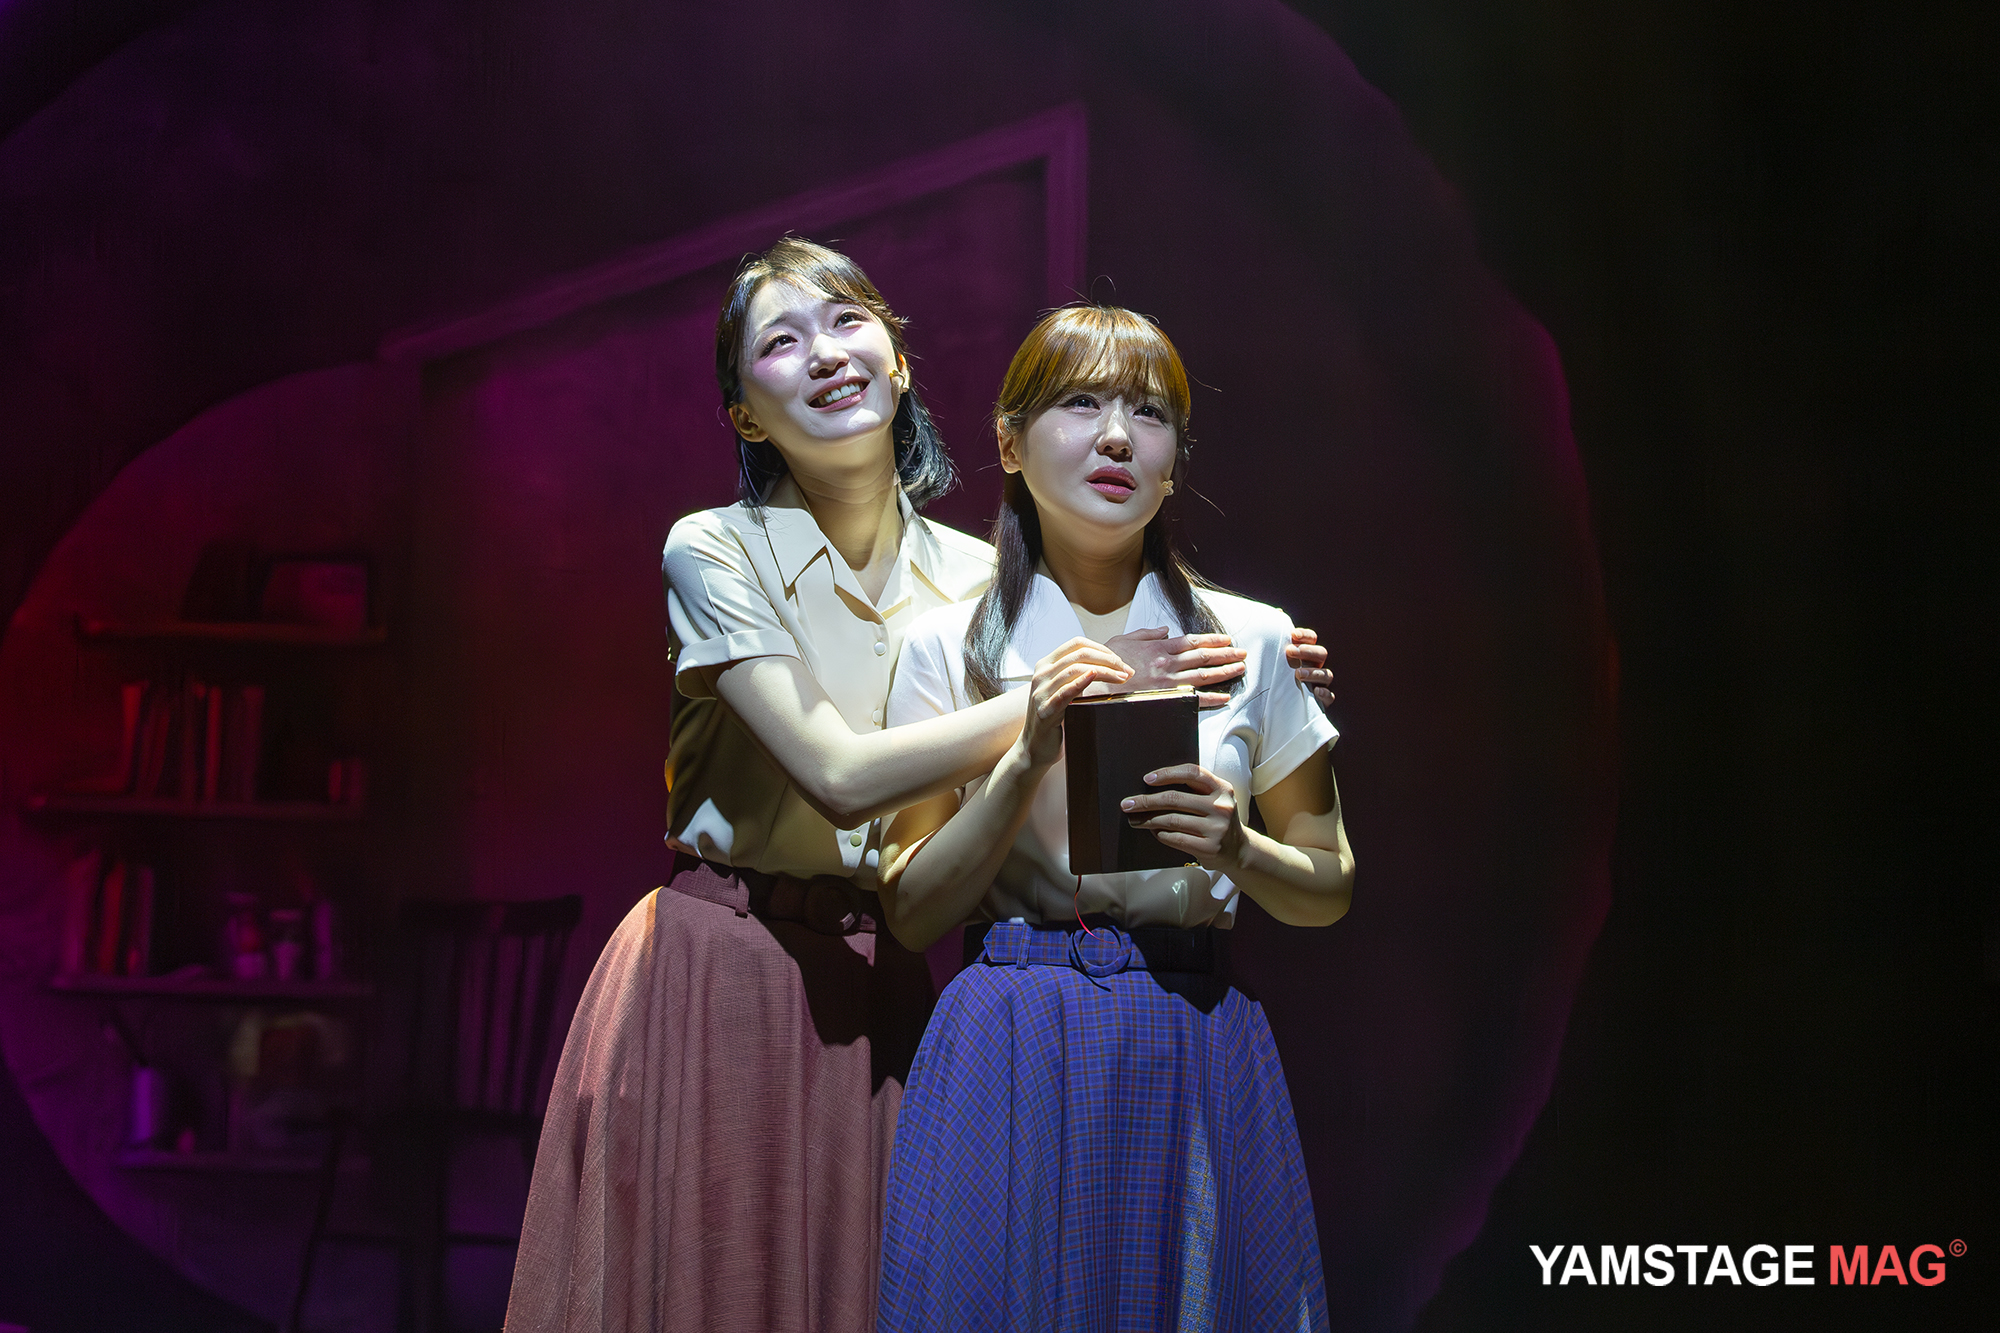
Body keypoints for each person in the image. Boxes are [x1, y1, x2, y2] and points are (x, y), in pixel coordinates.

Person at [504, 241, 1333, 1333]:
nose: (824, 353)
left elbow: (1111, 593)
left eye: (847, 321)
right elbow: (841, 775)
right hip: (727, 958)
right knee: (716, 1285)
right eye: (781, 341)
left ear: (899, 362)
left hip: (890, 971)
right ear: (744, 412)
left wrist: (1260, 656)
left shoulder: (976, 578)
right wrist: (1060, 697)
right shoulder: (715, 549)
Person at [874, 305, 1354, 1332]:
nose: (1115, 437)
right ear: (1009, 444)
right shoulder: (945, 648)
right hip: (1011, 1031)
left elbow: (1328, 885)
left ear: (1175, 462)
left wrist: (1238, 846)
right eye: (1080, 403)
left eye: (1148, 413)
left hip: (1191, 1027)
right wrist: (1026, 750)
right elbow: (912, 911)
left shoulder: (1253, 641)